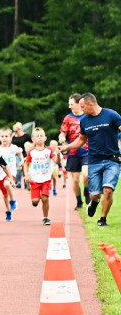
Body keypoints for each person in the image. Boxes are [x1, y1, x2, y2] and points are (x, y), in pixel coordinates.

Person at [60, 92, 121, 226]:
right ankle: (93, 202)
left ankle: (103, 219)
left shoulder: (112, 115)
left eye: (83, 107)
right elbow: (81, 140)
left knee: (108, 190)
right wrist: (67, 147)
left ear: (91, 104)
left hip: (113, 160)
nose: (81, 110)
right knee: (95, 195)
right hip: (94, 161)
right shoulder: (85, 121)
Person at [59, 93, 89, 210]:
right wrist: (61, 138)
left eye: (71, 104)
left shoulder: (87, 116)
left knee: (86, 175)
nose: (70, 106)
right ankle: (79, 201)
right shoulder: (68, 118)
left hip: (87, 151)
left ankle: (86, 191)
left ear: (78, 104)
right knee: (75, 180)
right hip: (73, 153)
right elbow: (62, 133)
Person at [24, 127, 57, 226]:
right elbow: (26, 164)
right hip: (34, 179)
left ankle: (45, 218)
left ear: (45, 138)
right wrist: (26, 175)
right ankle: (35, 197)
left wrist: (58, 155)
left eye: (41, 136)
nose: (39, 138)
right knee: (35, 202)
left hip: (46, 179)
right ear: (33, 140)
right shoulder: (32, 151)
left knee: (45, 199)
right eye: (37, 136)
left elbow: (56, 161)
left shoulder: (49, 150)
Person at [0, 128, 23, 221]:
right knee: (4, 195)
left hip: (11, 172)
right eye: (2, 136)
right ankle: (8, 211)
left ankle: (13, 201)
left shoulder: (13, 148)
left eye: (6, 136)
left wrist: (22, 161)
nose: (4, 138)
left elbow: (20, 153)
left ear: (10, 137)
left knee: (7, 184)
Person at [9, 122, 32, 187]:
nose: (16, 132)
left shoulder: (26, 136)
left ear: (20, 129)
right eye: (15, 131)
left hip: (25, 154)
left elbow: (32, 143)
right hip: (16, 154)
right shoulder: (13, 137)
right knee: (19, 167)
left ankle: (26, 182)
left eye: (17, 131)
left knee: (25, 168)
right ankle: (18, 181)